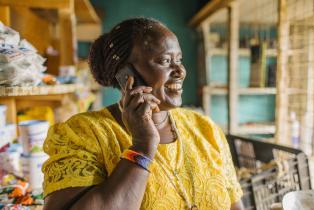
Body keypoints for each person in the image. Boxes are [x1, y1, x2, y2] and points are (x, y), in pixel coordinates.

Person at [43, 17, 244, 210]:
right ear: (126, 75)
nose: (180, 70)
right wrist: (142, 146)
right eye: (165, 60)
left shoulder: (206, 129)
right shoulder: (83, 133)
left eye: (179, 59)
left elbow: (235, 206)